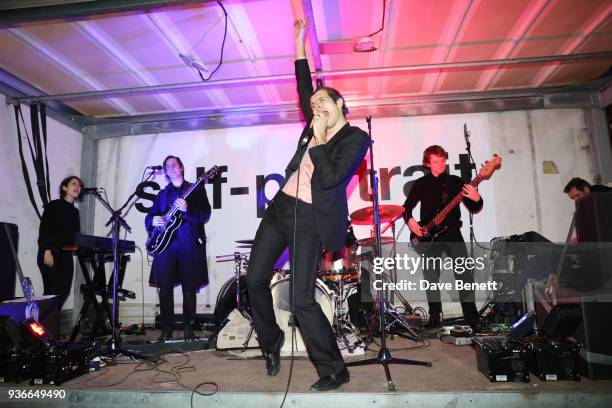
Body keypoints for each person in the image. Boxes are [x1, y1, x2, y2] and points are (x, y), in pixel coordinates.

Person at [245, 19, 369, 391]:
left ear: (339, 104)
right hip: (281, 208)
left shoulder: (355, 138)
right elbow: (303, 81)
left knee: (301, 300)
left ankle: (334, 370)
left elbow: (331, 178)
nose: (315, 107)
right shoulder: (312, 124)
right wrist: (298, 41)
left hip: (311, 220)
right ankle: (272, 342)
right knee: (254, 279)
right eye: (313, 104)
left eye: (322, 102)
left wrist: (317, 140)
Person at [402, 145, 482, 328]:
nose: (441, 164)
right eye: (436, 161)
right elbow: (405, 209)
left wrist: (477, 198)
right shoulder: (421, 184)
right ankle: (435, 316)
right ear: (428, 163)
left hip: (452, 232)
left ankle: (472, 316)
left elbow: (474, 207)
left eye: (443, 160)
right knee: (430, 276)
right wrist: (412, 222)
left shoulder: (455, 181)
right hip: (429, 236)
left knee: (465, 274)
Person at [145, 155, 211, 341]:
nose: (170, 167)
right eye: (167, 166)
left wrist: (187, 210)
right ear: (165, 171)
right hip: (165, 245)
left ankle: (189, 328)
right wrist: (153, 220)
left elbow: (204, 214)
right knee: (165, 289)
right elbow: (151, 216)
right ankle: (167, 329)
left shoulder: (195, 189)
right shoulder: (162, 195)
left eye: (174, 164)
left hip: (188, 244)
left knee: (189, 288)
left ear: (181, 168)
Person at [37, 176, 82, 309]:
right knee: (51, 291)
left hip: (65, 255)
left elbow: (74, 235)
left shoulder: (74, 212)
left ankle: (49, 323)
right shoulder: (54, 205)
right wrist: (47, 250)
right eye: (74, 184)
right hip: (49, 252)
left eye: (79, 186)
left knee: (63, 291)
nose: (77, 187)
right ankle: (42, 326)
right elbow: (45, 229)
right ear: (64, 187)